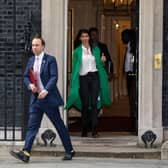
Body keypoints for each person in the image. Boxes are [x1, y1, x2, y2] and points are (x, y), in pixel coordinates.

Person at [10, 34, 75, 162]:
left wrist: (46, 90)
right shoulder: (30, 60)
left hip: (48, 99)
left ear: (43, 46)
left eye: (37, 45)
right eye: (33, 45)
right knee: (32, 126)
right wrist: (30, 85)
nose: (34, 47)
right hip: (35, 99)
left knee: (59, 125)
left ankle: (70, 150)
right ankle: (26, 152)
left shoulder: (50, 60)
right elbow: (25, 77)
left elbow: (54, 77)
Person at [66, 29, 111, 138]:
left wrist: (103, 61)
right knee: (85, 105)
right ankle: (85, 129)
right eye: (83, 36)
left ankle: (94, 131)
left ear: (89, 38)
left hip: (94, 76)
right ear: (80, 38)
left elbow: (100, 64)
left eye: (87, 36)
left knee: (94, 104)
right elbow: (76, 67)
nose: (85, 38)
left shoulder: (95, 50)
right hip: (83, 78)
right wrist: (73, 80)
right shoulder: (76, 52)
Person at [121, 29, 137, 129]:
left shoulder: (134, 47)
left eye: (123, 36)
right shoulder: (128, 47)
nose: (122, 39)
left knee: (133, 97)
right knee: (130, 97)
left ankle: (134, 120)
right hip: (129, 73)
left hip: (133, 74)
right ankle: (132, 118)